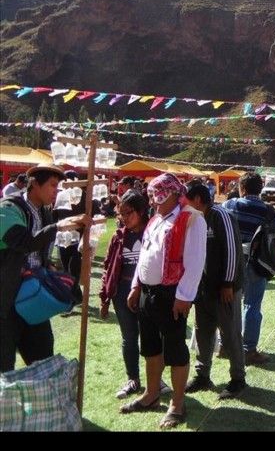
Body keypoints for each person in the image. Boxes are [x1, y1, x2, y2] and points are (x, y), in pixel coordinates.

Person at [121, 173, 206, 429]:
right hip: (148, 292)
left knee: (175, 349)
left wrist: (183, 297)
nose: (154, 201)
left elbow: (195, 262)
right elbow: (146, 254)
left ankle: (177, 404)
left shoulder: (191, 219)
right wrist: (137, 285)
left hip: (172, 294)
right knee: (149, 345)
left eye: (159, 195)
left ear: (172, 193)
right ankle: (151, 394)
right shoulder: (156, 220)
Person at [0, 165, 88, 372]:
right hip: (5, 302)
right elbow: (25, 242)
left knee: (43, 361)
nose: (55, 191)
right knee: (3, 367)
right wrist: (59, 226)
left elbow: (38, 254)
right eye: (52, 185)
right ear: (34, 184)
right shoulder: (7, 209)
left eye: (58, 187)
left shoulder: (45, 213)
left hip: (34, 299)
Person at [184, 183, 247, 400]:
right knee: (203, 332)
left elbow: (232, 250)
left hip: (224, 289)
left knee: (230, 334)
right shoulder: (194, 219)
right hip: (203, 290)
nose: (184, 205)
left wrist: (228, 283)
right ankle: (203, 375)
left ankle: (238, 379)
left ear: (198, 200)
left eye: (187, 200)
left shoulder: (221, 216)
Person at [223, 172, 275, 365]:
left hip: (230, 263)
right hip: (255, 264)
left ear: (242, 188)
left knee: (227, 305)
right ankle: (249, 350)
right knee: (252, 305)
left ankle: (224, 346)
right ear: (260, 189)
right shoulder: (268, 210)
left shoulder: (229, 205)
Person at [99, 192, 157, 398]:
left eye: (128, 212)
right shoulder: (119, 236)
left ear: (141, 212)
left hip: (147, 293)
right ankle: (133, 379)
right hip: (122, 293)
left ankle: (156, 381)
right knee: (129, 338)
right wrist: (104, 298)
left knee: (151, 337)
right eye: (120, 213)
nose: (123, 217)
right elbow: (109, 267)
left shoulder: (153, 232)